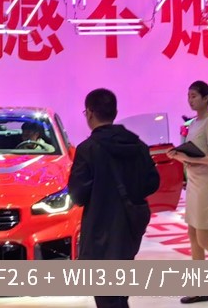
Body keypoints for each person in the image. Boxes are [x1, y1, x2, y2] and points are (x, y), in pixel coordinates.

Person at [69, 88, 160, 308]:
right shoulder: (138, 145)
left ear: (90, 113)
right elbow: (152, 182)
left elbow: (78, 194)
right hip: (130, 227)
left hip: (99, 229)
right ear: (115, 112)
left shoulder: (87, 149)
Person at [166, 81, 208, 305]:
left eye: (194, 96)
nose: (190, 100)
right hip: (195, 183)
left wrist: (189, 158)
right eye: (189, 96)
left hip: (206, 185)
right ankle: (199, 289)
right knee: (193, 236)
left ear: (205, 98)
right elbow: (194, 155)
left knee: (203, 237)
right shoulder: (193, 123)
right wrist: (179, 155)